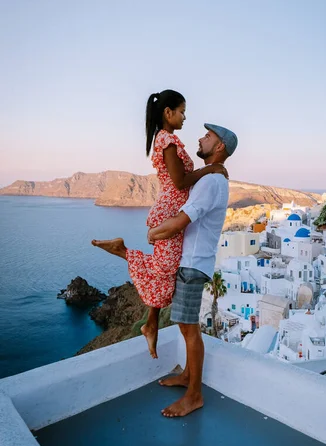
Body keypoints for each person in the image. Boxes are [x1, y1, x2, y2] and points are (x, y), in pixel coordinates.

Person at [91, 90, 227, 358]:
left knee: (165, 272)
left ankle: (150, 324)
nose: (185, 117)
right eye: (182, 111)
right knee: (165, 271)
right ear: (168, 113)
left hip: (170, 208)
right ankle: (123, 252)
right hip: (170, 211)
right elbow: (179, 182)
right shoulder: (167, 142)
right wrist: (209, 169)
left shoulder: (167, 139)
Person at [149, 124, 238, 418]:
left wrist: (153, 234)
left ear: (219, 146)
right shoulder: (210, 178)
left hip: (193, 262)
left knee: (189, 329)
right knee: (187, 327)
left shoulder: (212, 182)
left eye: (208, 137)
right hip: (192, 261)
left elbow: (180, 222)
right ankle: (188, 376)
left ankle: (194, 395)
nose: (201, 138)